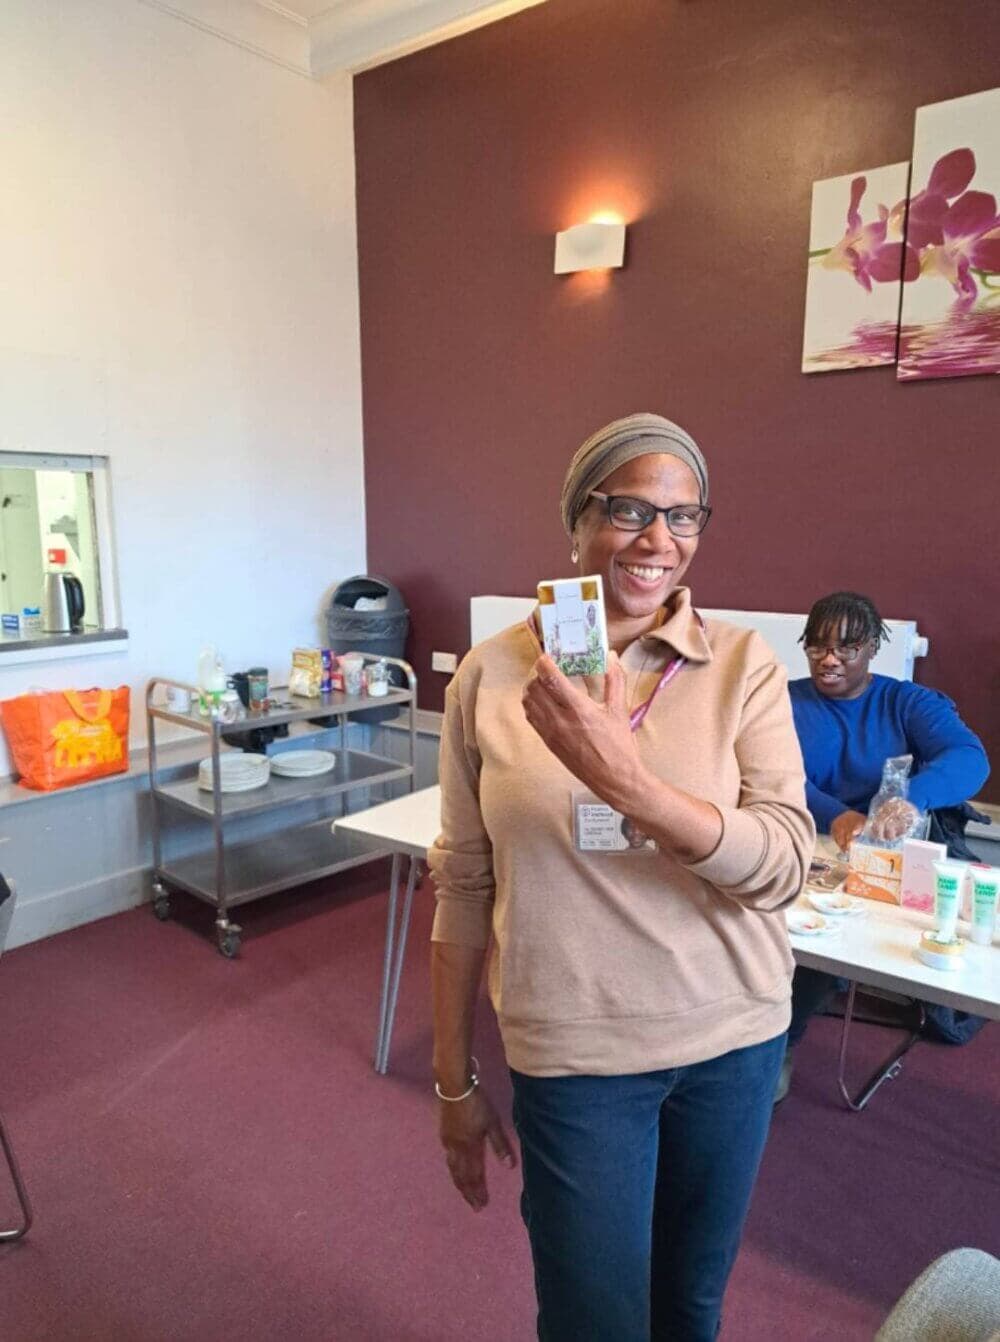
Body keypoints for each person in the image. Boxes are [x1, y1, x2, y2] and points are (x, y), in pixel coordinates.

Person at [428, 413, 814, 1342]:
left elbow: (783, 864)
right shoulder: (490, 676)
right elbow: (464, 884)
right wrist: (452, 1083)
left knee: (689, 1307)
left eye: (683, 517)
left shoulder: (742, 665)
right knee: (591, 1319)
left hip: (732, 1039)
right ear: (577, 520)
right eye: (629, 509)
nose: (657, 541)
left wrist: (631, 786)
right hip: (577, 1053)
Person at [779, 591, 990, 1100]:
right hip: (806, 841)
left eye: (847, 648)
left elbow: (969, 758)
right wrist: (837, 815)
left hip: (889, 852)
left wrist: (911, 800)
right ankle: (781, 1044)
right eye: (817, 646)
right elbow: (772, 774)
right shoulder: (782, 699)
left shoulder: (906, 702)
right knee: (805, 937)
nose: (830, 659)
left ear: (873, 648)